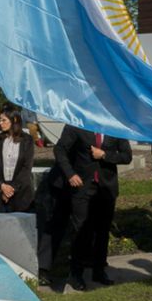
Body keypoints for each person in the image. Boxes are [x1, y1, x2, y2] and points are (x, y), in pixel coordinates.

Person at [42, 124, 132, 290]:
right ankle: (76, 274)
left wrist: (104, 154)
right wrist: (70, 174)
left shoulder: (114, 126)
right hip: (83, 186)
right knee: (81, 229)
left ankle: (99, 270)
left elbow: (126, 156)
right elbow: (60, 150)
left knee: (102, 230)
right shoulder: (77, 124)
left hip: (106, 187)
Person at [0, 109, 35, 212]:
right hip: (1, 192)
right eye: (0, 120)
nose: (0, 123)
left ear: (14, 120)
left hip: (22, 193)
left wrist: (11, 188)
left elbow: (26, 168)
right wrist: (2, 185)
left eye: (4, 120)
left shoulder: (27, 140)